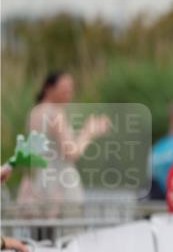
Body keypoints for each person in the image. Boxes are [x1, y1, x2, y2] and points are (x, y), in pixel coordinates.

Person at [17, 71, 111, 208]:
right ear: (49, 89)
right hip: (58, 186)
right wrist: (89, 132)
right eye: (65, 89)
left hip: (36, 183)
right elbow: (71, 152)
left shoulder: (35, 112)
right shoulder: (55, 113)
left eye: (71, 89)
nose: (69, 93)